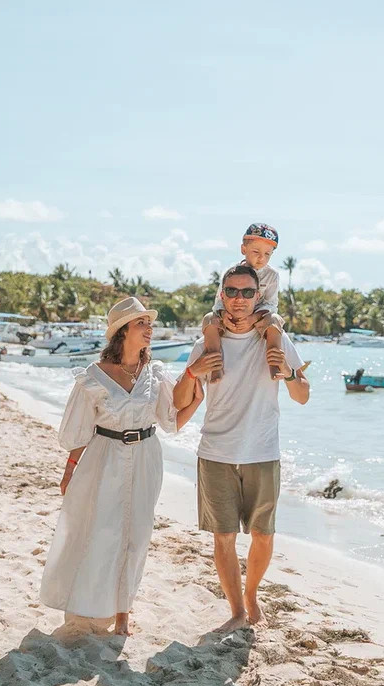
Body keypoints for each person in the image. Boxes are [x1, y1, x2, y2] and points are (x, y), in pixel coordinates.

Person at [39, 297, 203, 636]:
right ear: (122, 332)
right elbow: (80, 430)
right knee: (101, 531)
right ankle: (89, 602)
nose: (149, 329)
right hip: (104, 456)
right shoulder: (94, 377)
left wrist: (196, 403)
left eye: (148, 323)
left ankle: (123, 612)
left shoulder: (155, 373)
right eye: (141, 323)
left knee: (137, 535)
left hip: (146, 457)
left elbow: (170, 422)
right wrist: (70, 469)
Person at [173, 264, 311, 632]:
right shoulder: (206, 342)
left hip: (263, 451)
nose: (238, 299)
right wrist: (192, 370)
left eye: (247, 293)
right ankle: (236, 610)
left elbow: (302, 396)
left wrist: (289, 372)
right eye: (231, 292)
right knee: (224, 537)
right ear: (222, 296)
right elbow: (180, 401)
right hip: (216, 452)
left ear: (258, 297)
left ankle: (252, 595)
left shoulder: (276, 340)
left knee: (264, 535)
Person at [200, 223, 286, 383]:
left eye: (268, 254)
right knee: (209, 319)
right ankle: (215, 367)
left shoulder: (272, 276)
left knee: (275, 320)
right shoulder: (232, 273)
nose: (262, 258)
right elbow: (219, 302)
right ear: (243, 249)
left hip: (259, 320)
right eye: (256, 252)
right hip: (232, 318)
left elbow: (271, 305)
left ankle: (274, 365)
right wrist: (224, 316)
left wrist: (254, 318)